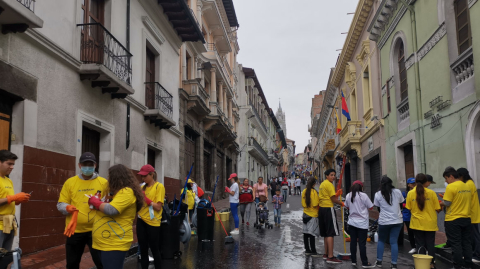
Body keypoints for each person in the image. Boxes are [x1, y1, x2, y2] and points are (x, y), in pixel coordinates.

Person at [88, 164, 144, 269]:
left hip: (114, 243)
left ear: (116, 178)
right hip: (105, 242)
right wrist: (99, 201)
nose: (108, 179)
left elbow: (112, 209)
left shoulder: (127, 192)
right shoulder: (115, 193)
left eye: (110, 177)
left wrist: (96, 203)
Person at [57, 152, 106, 269]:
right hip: (74, 231)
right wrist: (67, 208)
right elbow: (60, 204)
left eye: (90, 164)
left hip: (97, 230)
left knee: (102, 263)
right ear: (79, 165)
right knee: (72, 264)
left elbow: (107, 204)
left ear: (95, 165)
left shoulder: (104, 183)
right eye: (85, 164)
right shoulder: (70, 182)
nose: (87, 167)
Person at [406, 174, 442, 269]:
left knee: (420, 244)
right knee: (430, 244)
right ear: (426, 182)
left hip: (417, 223)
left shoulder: (410, 193)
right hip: (430, 223)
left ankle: (421, 265)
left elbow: (409, 208)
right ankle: (432, 264)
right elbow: (437, 208)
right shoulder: (431, 193)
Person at [440, 167, 473, 269]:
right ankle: (468, 264)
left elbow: (447, 202)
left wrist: (441, 202)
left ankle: (457, 265)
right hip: (466, 218)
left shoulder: (451, 187)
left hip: (453, 219)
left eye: (446, 178)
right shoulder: (466, 185)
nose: (446, 181)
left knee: (456, 244)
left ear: (451, 176)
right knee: (467, 242)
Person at [0, 150, 30, 251]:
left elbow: (6, 200)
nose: (12, 167)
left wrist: (17, 200)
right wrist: (13, 198)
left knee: (4, 258)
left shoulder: (8, 180)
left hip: (9, 225)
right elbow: (9, 199)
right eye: (9, 163)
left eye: (13, 164)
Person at [136, 164, 165, 269]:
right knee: (143, 250)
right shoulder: (141, 187)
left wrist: (147, 200)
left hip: (153, 222)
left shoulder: (159, 187)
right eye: (141, 176)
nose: (143, 178)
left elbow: (158, 207)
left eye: (145, 176)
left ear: (151, 174)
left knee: (154, 249)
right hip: (141, 220)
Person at [374, 176, 404, 269]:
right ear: (391, 183)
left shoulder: (378, 194)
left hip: (384, 222)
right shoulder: (398, 192)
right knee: (394, 242)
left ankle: (379, 262)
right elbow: (401, 204)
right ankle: (394, 264)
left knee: (381, 241)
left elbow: (378, 207)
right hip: (397, 221)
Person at [344, 181, 375, 268]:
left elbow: (346, 206)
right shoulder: (364, 196)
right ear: (361, 187)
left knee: (353, 242)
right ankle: (364, 262)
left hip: (352, 222)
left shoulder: (348, 195)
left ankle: (353, 261)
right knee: (362, 243)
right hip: (362, 223)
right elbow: (371, 207)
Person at [318, 169, 343, 264]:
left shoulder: (322, 184)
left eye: (334, 175)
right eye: (331, 175)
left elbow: (328, 195)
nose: (333, 177)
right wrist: (342, 203)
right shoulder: (329, 184)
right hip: (328, 209)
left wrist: (337, 194)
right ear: (327, 176)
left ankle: (326, 254)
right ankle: (331, 256)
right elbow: (333, 199)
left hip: (322, 209)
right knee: (330, 233)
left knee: (325, 233)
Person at [457, 168, 480, 263]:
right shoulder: (470, 183)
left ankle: (477, 255)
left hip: (471, 213)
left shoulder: (468, 184)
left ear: (461, 176)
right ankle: (474, 253)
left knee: (474, 236)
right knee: (472, 235)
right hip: (471, 213)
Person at [302, 177, 321, 257]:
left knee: (306, 233)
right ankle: (313, 251)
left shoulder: (304, 191)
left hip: (305, 213)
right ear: (314, 184)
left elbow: (303, 204)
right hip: (313, 214)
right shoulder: (314, 192)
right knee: (312, 234)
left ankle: (307, 250)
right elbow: (315, 203)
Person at [401, 177, 417, 254]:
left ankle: (420, 246)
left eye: (415, 183)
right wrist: (408, 205)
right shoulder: (404, 193)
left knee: (417, 232)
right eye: (412, 183)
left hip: (416, 215)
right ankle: (413, 247)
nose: (414, 185)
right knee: (410, 232)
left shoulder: (418, 192)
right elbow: (401, 204)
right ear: (408, 185)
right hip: (407, 215)